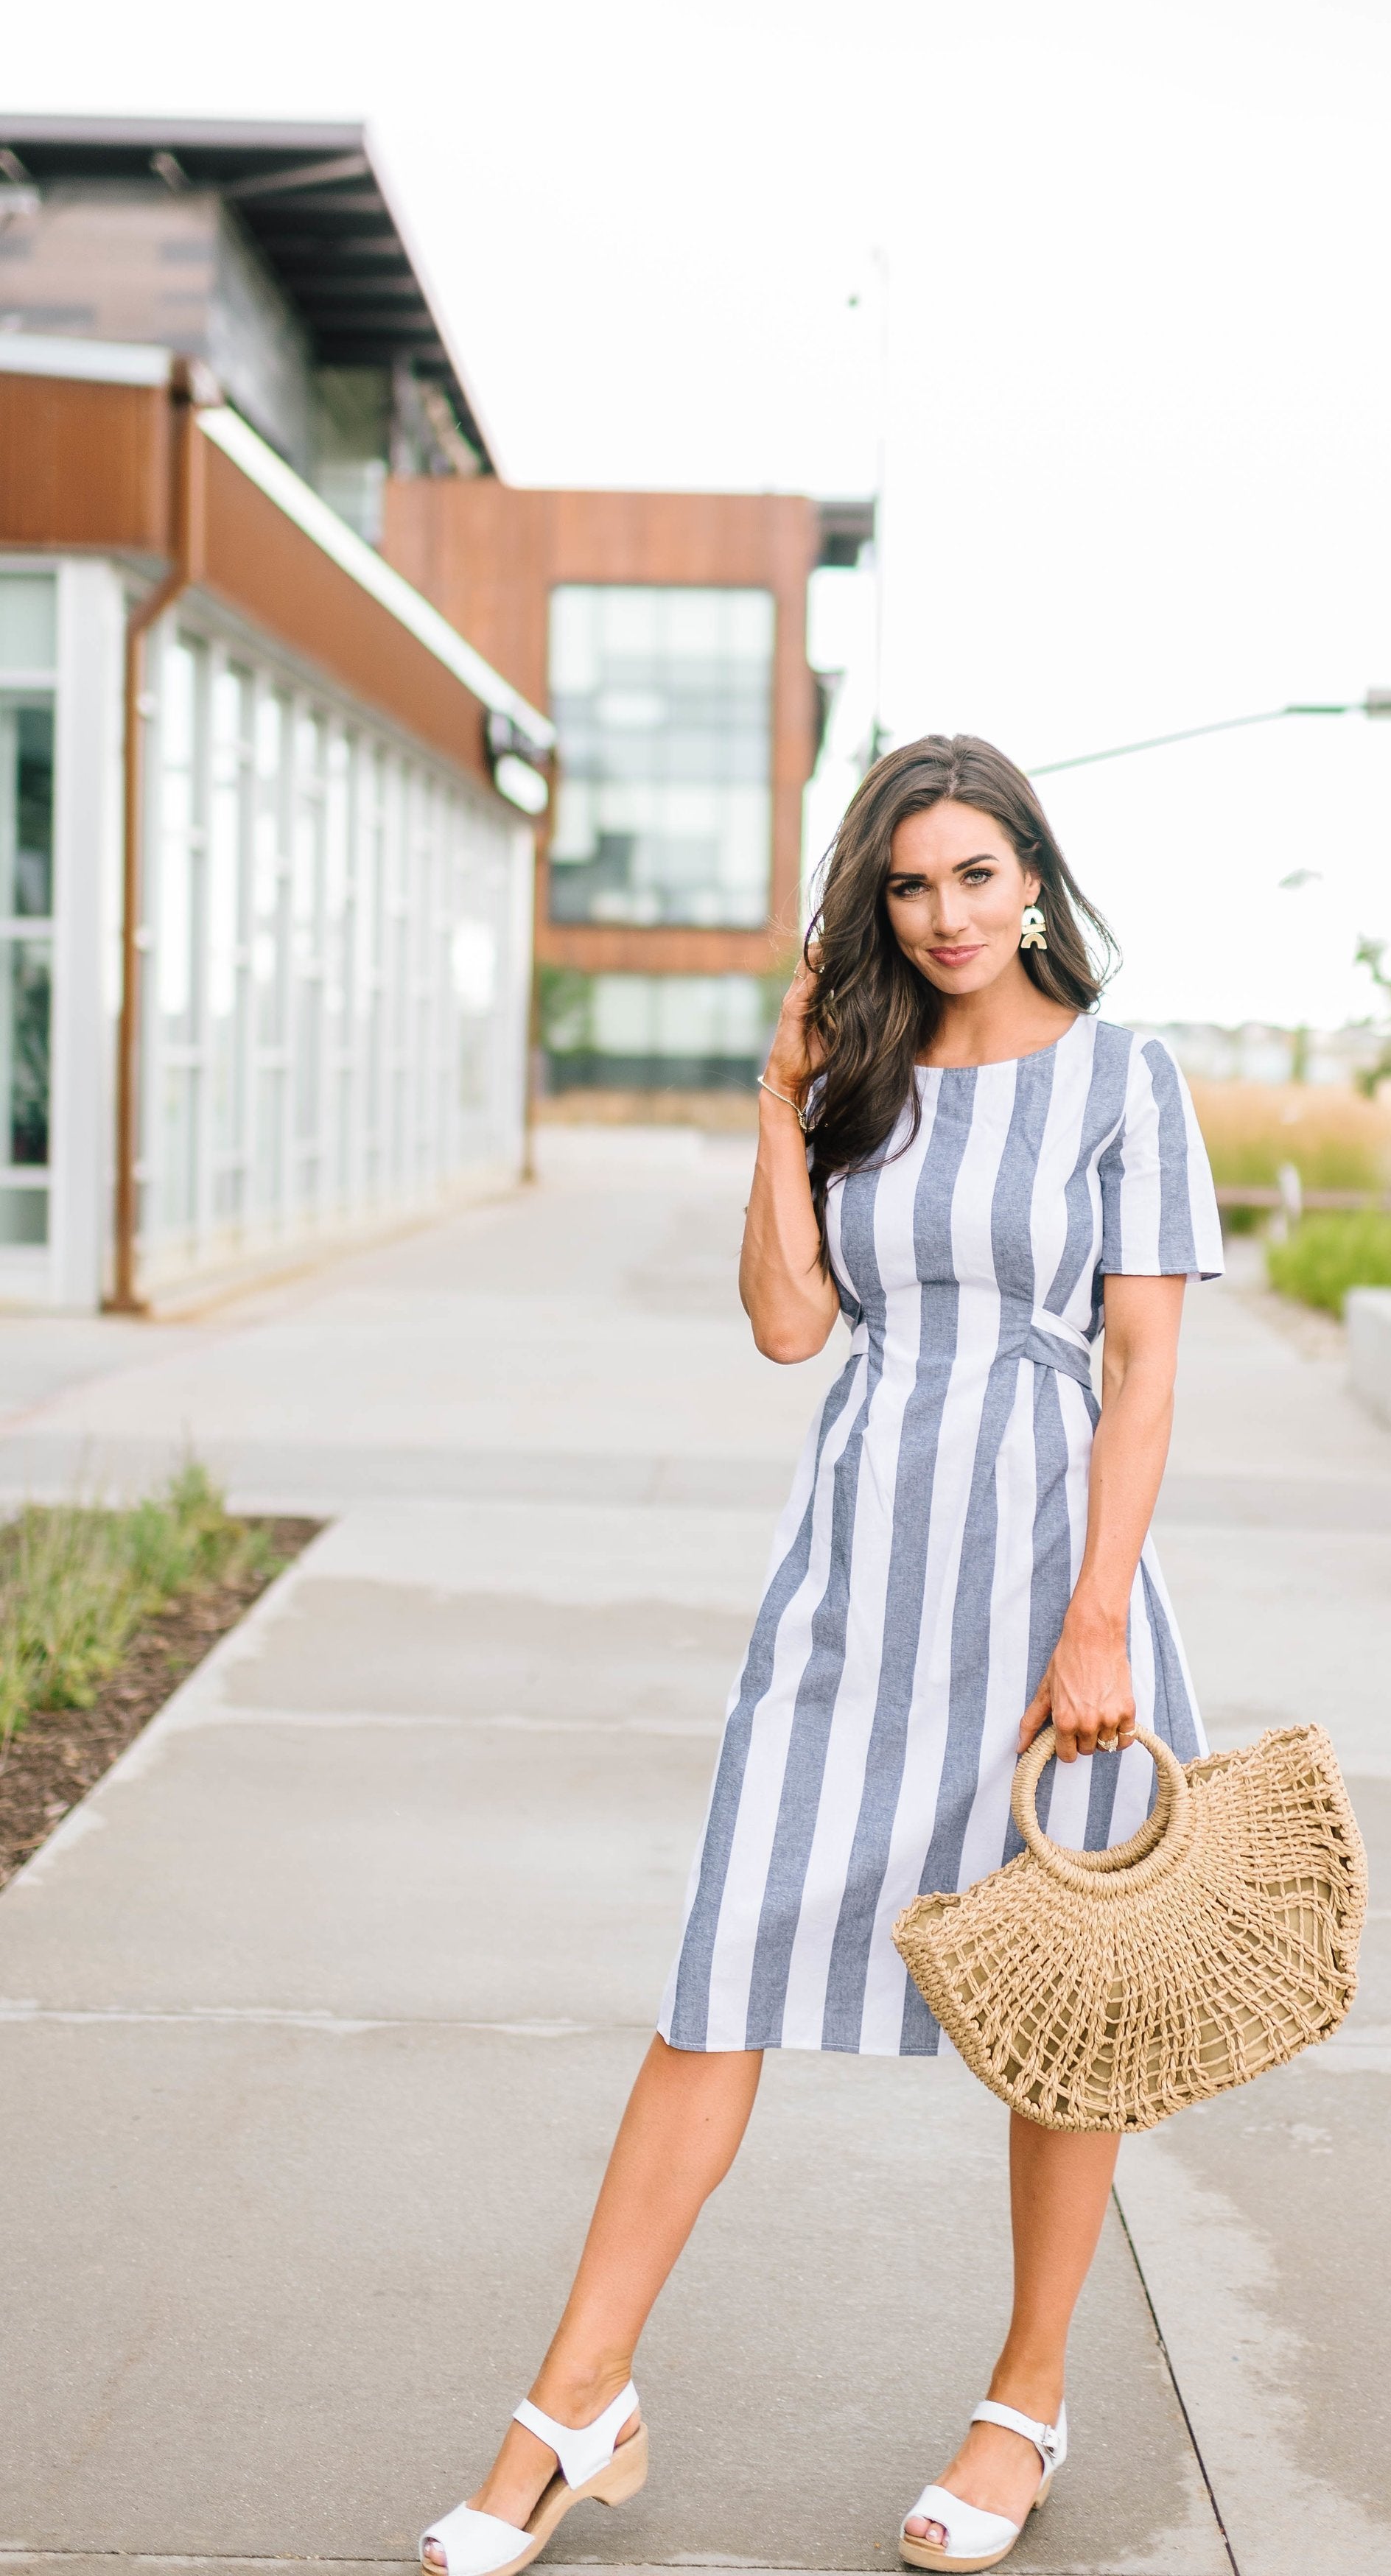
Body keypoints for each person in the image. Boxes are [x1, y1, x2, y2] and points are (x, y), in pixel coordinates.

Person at [420, 734, 1221, 2576]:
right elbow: (792, 1325)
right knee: (720, 1977)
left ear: (1033, 876)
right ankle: (573, 2403)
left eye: (972, 875)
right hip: (852, 1577)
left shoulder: (1123, 1083)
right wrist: (779, 1107)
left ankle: (1024, 2401)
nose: (941, 916)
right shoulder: (858, 1077)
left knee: (1055, 2012)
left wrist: (1097, 1614)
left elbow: (1145, 1371)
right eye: (906, 885)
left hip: (1039, 1584)